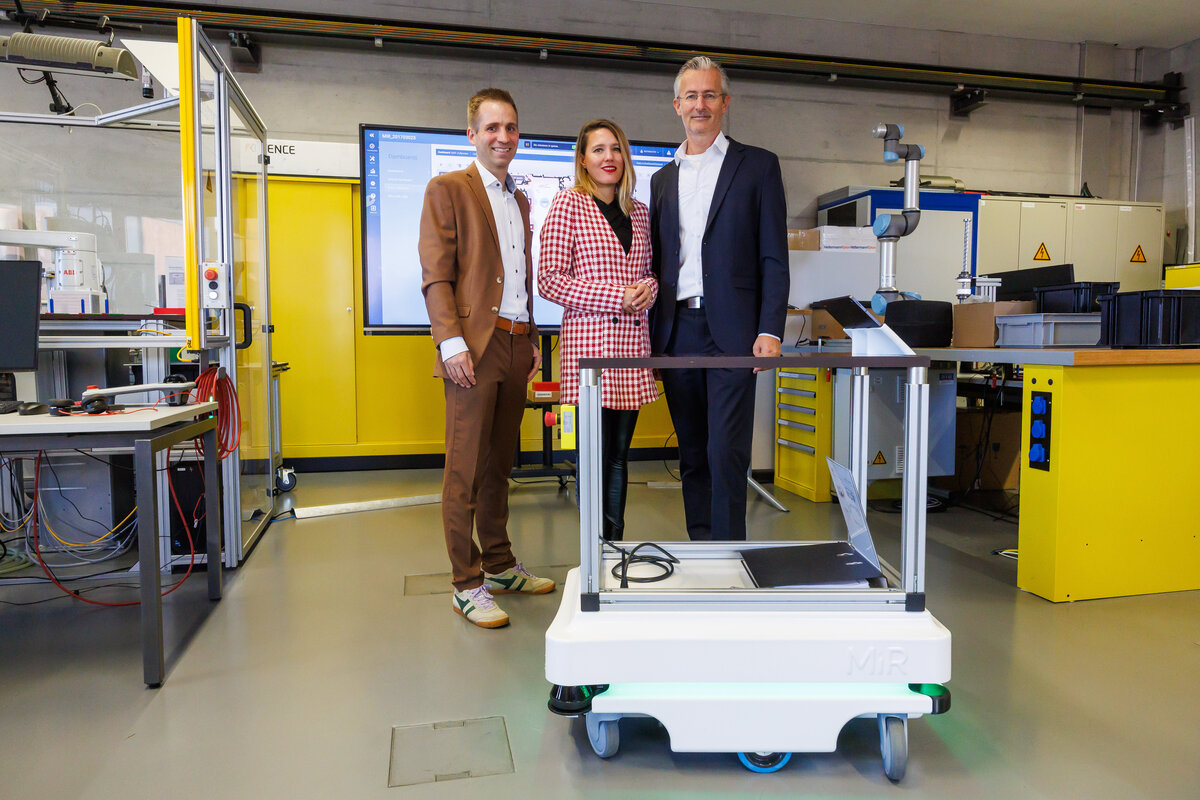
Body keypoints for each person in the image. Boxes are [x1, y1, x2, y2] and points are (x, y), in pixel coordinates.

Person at [419, 88, 556, 629]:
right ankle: (465, 582)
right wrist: (451, 342)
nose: (503, 137)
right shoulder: (447, 189)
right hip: (472, 348)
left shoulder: (519, 199)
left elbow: (517, 280)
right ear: (472, 135)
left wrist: (534, 339)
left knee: (501, 464)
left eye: (512, 128)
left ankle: (499, 564)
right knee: (465, 470)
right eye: (492, 128)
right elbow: (436, 274)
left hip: (516, 343)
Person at [648, 56, 789, 541]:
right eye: (691, 96)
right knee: (691, 451)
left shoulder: (759, 166)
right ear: (676, 106)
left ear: (725, 103)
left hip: (735, 331)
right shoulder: (662, 180)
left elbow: (774, 255)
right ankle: (701, 552)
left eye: (710, 95)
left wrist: (770, 329)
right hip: (677, 331)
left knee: (725, 450)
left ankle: (729, 556)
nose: (700, 105)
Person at [538, 119, 658, 541]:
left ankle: (615, 547)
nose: (609, 158)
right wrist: (617, 297)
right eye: (599, 150)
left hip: (631, 348)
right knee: (594, 456)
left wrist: (648, 290)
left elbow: (649, 274)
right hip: (591, 350)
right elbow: (550, 279)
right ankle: (593, 554)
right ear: (584, 161)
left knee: (621, 456)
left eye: (616, 149)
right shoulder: (567, 205)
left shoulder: (640, 213)